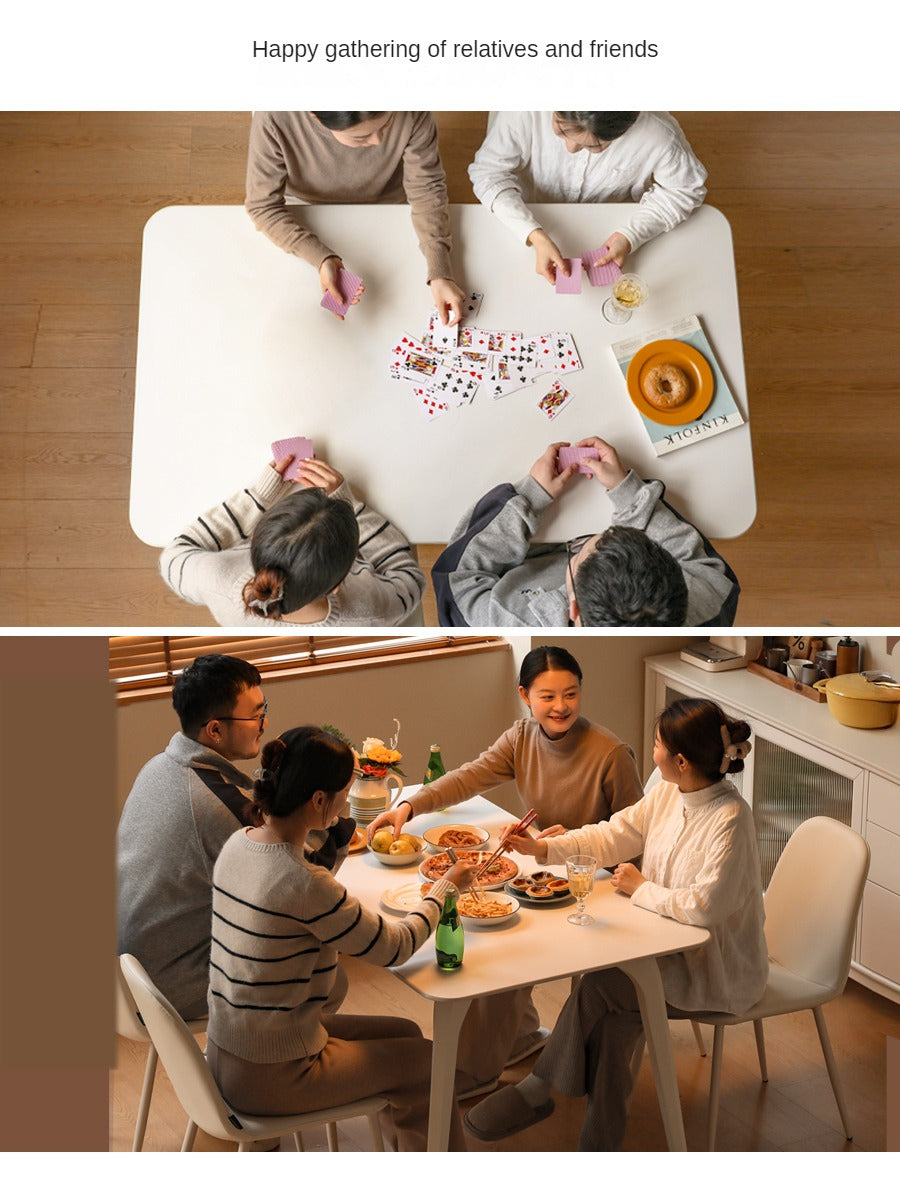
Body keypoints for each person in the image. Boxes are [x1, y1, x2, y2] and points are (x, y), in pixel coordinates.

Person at [464, 696, 768, 1150]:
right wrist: (543, 851)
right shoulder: (668, 789)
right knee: (613, 1023)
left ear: (681, 761)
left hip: (712, 966)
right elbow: (616, 832)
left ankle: (537, 1089)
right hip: (659, 943)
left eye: (658, 744)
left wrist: (640, 887)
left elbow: (706, 908)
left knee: (599, 987)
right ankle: (598, 1142)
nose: (652, 749)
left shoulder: (730, 819)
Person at [367, 645, 644, 1097]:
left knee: (499, 952)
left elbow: (636, 839)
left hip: (590, 888)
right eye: (548, 696)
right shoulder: (521, 737)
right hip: (539, 874)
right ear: (524, 696)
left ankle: (473, 1072)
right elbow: (468, 777)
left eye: (571, 694)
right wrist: (409, 805)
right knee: (482, 924)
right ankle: (515, 1038)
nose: (561, 706)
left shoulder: (610, 753)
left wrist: (567, 842)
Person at [206, 725, 477, 1152]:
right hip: (274, 1073)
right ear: (318, 800)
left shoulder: (239, 845)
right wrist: (444, 889)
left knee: (406, 1032)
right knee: (428, 1063)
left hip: (227, 1051)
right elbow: (395, 947)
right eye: (345, 793)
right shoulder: (303, 881)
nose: (347, 804)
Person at [117, 654, 356, 1020]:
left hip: (125, 972)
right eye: (256, 715)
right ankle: (282, 1068)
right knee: (328, 978)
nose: (264, 723)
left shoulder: (159, 767)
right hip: (170, 984)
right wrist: (337, 803)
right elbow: (300, 882)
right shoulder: (214, 805)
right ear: (214, 730)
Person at [431, 437, 739, 627]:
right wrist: (628, 492)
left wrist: (530, 496)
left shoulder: (507, 621)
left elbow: (456, 576)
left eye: (582, 554)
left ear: (573, 605)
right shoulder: (708, 602)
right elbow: (705, 566)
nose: (592, 538)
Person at [246, 111, 466, 323]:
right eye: (361, 136)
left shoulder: (411, 109)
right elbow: (263, 207)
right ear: (315, 116)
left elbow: (426, 190)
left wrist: (440, 271)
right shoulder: (273, 117)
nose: (379, 140)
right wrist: (321, 258)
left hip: (390, 208)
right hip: (307, 209)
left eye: (386, 124)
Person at [159, 454, 425, 627]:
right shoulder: (370, 609)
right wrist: (350, 505)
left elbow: (173, 558)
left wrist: (257, 497)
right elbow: (409, 577)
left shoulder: (217, 578)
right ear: (337, 586)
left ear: (254, 544)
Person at [468, 111, 707, 284]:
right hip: (524, 221)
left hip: (612, 228)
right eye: (561, 131)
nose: (570, 148)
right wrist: (533, 234)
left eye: (594, 147)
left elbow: (685, 190)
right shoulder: (524, 111)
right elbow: (488, 173)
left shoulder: (659, 134)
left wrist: (632, 234)